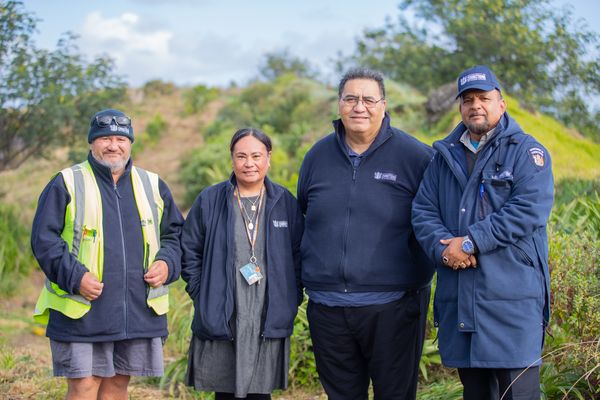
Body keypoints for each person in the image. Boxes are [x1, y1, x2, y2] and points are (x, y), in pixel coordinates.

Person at [412, 65, 554, 400]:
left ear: (501, 104)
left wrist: (471, 243)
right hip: (463, 302)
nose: (476, 105)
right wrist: (444, 248)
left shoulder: (526, 152)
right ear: (460, 107)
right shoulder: (443, 156)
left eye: (484, 98)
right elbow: (423, 211)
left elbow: (528, 210)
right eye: (468, 99)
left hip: (512, 304)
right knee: (476, 394)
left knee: (518, 394)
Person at [297, 67, 434, 400]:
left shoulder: (415, 156)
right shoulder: (317, 156)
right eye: (351, 98)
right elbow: (303, 214)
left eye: (368, 99)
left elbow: (434, 219)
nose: (360, 107)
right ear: (339, 104)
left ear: (383, 105)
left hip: (394, 306)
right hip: (327, 308)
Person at [31, 109, 183, 400]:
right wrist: (76, 277)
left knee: (117, 386)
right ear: (91, 143)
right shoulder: (66, 182)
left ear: (130, 143)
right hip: (84, 311)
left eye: (120, 138)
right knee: (85, 386)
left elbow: (176, 235)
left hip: (138, 310)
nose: (113, 145)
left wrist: (167, 263)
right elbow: (44, 240)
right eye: (105, 138)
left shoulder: (152, 184)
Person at [181, 128, 303, 400]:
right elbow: (189, 250)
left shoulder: (284, 202)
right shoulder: (210, 200)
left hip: (266, 311)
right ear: (232, 159)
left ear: (269, 158)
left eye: (257, 156)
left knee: (261, 392)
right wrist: (202, 294)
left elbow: (298, 254)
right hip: (224, 309)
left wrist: (291, 295)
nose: (249, 163)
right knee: (224, 390)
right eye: (242, 156)